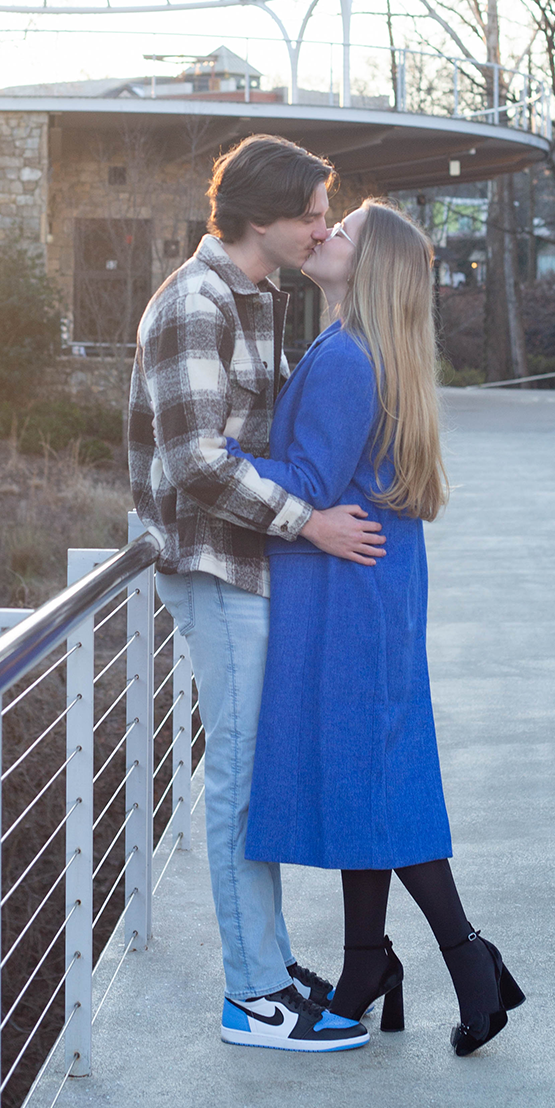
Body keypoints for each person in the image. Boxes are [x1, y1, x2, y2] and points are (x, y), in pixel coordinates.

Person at [229, 199, 526, 1057]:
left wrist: (212, 457)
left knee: (379, 779)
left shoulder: (348, 359)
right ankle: (368, 966)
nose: (323, 234)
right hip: (366, 587)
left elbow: (315, 478)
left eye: (342, 231)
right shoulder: (355, 349)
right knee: (370, 772)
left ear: (370, 267)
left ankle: (468, 960)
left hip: (349, 596)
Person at [128, 135, 386, 1053]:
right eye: (313, 212)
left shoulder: (262, 297)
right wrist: (312, 525)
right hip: (210, 560)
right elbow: (196, 461)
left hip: (249, 560)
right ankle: (251, 996)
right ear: (260, 218)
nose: (324, 226)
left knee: (251, 768)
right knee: (237, 774)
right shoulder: (195, 304)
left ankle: (269, 964)